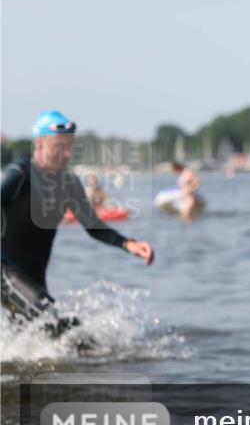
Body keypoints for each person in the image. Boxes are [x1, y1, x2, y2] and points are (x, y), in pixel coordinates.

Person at [1, 111, 155, 337]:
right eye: (59, 146)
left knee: (38, 339)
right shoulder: (19, 174)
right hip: (5, 271)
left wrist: (127, 244)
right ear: (39, 144)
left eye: (70, 146)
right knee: (60, 326)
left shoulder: (69, 184)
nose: (67, 153)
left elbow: (92, 225)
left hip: (34, 278)